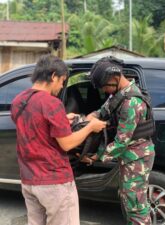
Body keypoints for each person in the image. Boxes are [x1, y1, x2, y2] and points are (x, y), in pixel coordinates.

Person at [10, 54, 106, 225]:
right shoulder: (52, 103)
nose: (62, 86)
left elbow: (36, 125)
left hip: (29, 180)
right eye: (62, 81)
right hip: (54, 182)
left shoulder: (19, 100)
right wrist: (90, 127)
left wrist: (62, 118)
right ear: (53, 76)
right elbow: (67, 143)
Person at [86, 56, 155, 225]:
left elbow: (121, 142)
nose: (104, 91)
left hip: (137, 158)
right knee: (128, 199)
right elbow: (103, 111)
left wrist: (97, 156)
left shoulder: (131, 102)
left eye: (104, 87)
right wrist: (90, 118)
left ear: (114, 79)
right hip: (130, 157)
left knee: (136, 206)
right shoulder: (119, 95)